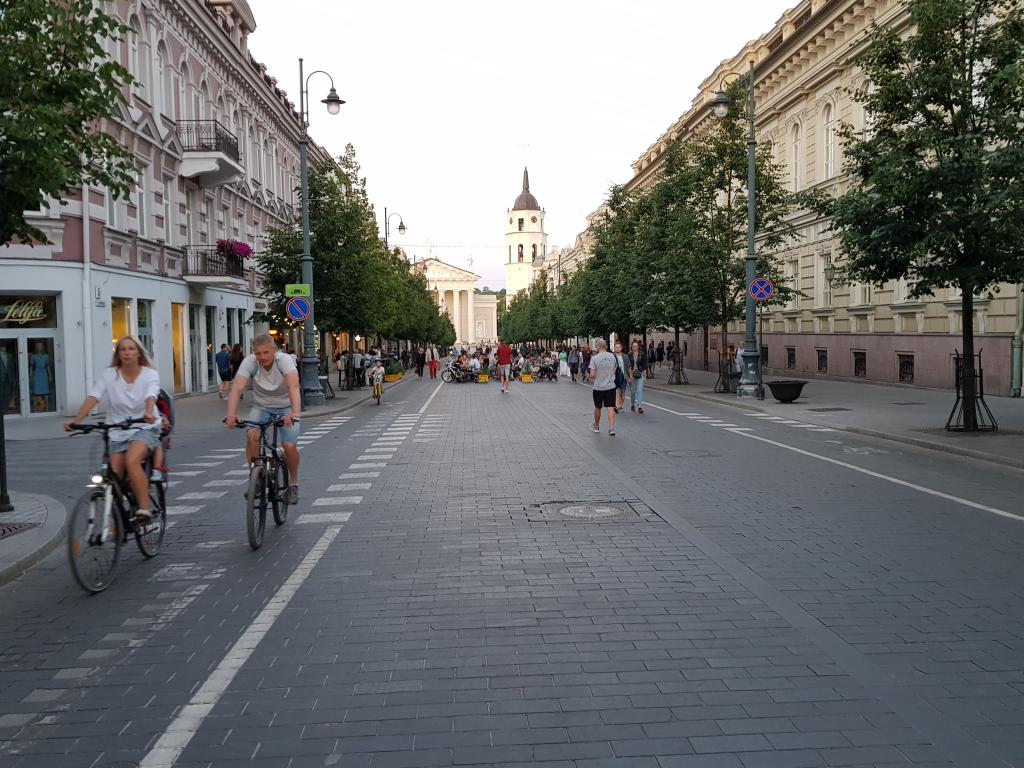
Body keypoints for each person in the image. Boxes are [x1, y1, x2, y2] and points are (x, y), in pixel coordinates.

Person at [65, 336, 161, 522]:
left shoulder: (149, 374)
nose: (127, 352)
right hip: (117, 430)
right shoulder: (110, 374)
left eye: (131, 348)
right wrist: (76, 421)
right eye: (122, 349)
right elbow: (94, 396)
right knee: (113, 475)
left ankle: (144, 508)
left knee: (132, 460)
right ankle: (118, 518)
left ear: (139, 353)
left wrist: (149, 412)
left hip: (144, 426)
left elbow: (151, 394)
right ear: (118, 354)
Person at [225, 333, 301, 505]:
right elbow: (237, 388)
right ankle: (256, 477)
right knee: (252, 435)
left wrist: (294, 413)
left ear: (274, 350)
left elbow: (293, 386)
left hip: (286, 407)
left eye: (266, 352)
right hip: (261, 407)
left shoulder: (284, 361)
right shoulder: (250, 362)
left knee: (289, 446)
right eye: (258, 353)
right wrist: (231, 414)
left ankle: (294, 483)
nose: (262, 357)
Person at [588, 339, 617, 436]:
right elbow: (615, 368)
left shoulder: (594, 358)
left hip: (598, 387)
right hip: (610, 386)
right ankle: (611, 428)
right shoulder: (612, 356)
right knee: (610, 407)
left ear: (598, 347)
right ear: (606, 347)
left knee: (598, 407)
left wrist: (592, 375)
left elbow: (592, 375)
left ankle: (596, 426)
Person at [627, 339, 648, 414]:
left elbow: (645, 366)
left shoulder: (642, 354)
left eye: (636, 346)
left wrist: (645, 376)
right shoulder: (629, 355)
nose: (634, 347)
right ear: (631, 347)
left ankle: (639, 406)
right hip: (631, 374)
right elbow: (627, 366)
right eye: (633, 346)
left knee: (639, 390)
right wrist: (628, 377)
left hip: (640, 374)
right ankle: (632, 405)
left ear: (638, 347)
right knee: (632, 391)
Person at [612, 339, 629, 413]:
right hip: (615, 377)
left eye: (619, 347)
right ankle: (617, 406)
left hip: (623, 376)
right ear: (614, 348)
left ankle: (621, 406)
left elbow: (629, 367)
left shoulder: (625, 357)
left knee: (623, 392)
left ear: (621, 348)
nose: (617, 348)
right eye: (616, 347)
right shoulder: (612, 356)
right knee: (617, 391)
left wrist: (630, 376)